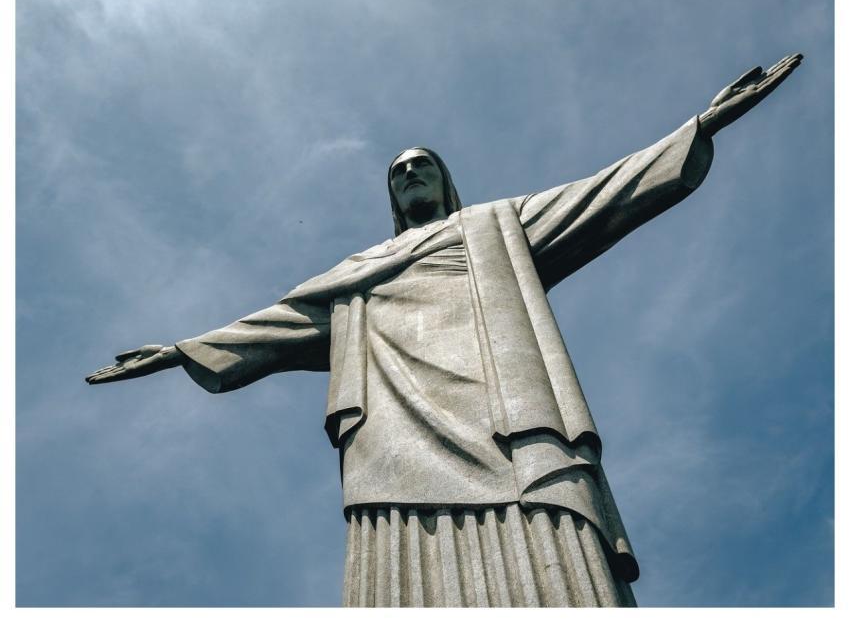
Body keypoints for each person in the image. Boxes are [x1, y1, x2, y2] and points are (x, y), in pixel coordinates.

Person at [87, 53, 803, 607]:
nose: (408, 174)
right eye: (397, 172)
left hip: (507, 419)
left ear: (445, 180)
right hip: (394, 435)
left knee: (552, 545)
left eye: (421, 165)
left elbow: (603, 194)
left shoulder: (496, 227)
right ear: (390, 197)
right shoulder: (357, 272)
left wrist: (699, 128)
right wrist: (178, 349)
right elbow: (271, 326)